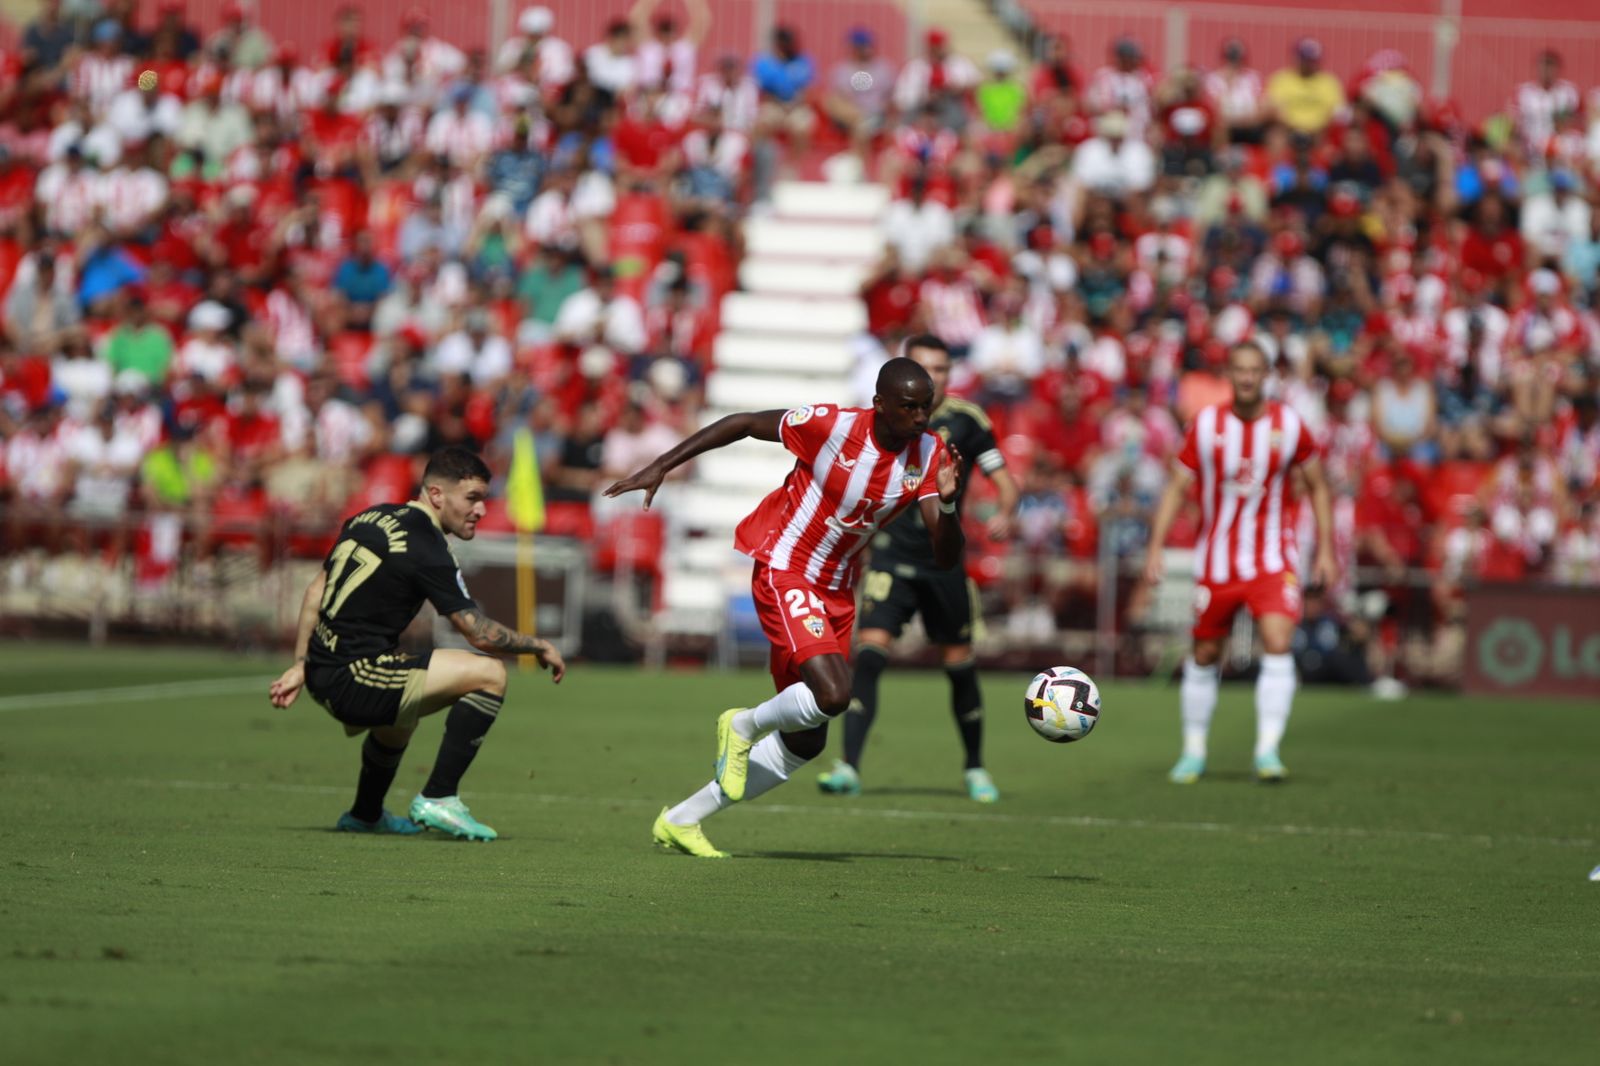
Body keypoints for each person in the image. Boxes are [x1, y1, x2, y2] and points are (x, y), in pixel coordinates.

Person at [604, 358, 963, 857]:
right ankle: (742, 725)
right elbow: (744, 423)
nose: (921, 417)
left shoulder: (930, 454)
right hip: (785, 566)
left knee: (806, 741)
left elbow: (945, 556)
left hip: (837, 592)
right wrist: (662, 464)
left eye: (926, 407)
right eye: (909, 407)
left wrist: (947, 504)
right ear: (880, 404)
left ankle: (682, 820)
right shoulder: (833, 425)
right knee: (836, 694)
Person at [267, 447, 566, 840]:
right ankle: (439, 796)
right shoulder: (426, 544)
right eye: (472, 498)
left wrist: (301, 664)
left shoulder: (370, 516)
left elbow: (315, 590)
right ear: (437, 495)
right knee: (489, 673)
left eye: (484, 500)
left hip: (325, 669)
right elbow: (477, 632)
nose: (481, 510)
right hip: (353, 678)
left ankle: (365, 814)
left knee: (401, 712)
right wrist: (537, 645)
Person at [815, 336, 1019, 802]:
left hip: (943, 561)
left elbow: (1003, 480)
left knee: (959, 665)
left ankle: (974, 768)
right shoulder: (885, 419)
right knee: (869, 652)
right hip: (891, 554)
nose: (936, 378)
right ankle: (848, 765)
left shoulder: (967, 422)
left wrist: (1006, 510)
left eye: (943, 369)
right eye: (927, 369)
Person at [1142, 341, 1336, 784]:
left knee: (1278, 639)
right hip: (1217, 559)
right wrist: (1156, 547)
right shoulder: (1206, 425)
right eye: (1240, 370)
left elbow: (1319, 486)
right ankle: (1193, 750)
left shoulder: (1289, 424)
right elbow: (1176, 486)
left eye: (1255, 370)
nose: (1247, 378)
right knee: (1206, 652)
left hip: (1272, 556)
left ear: (1266, 374)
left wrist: (1325, 549)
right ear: (1229, 374)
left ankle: (1267, 750)